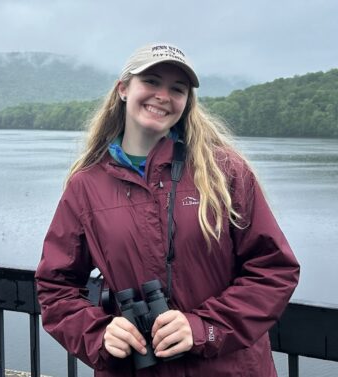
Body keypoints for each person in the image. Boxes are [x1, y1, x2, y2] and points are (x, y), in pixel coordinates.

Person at [35, 42, 300, 377]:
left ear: (187, 102)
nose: (163, 95)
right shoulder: (86, 185)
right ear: (123, 89)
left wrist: (205, 327)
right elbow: (55, 287)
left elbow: (274, 269)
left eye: (178, 89)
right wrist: (98, 334)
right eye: (152, 82)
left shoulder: (224, 171)